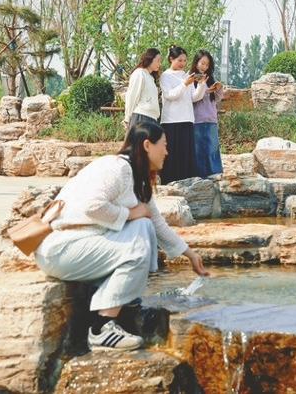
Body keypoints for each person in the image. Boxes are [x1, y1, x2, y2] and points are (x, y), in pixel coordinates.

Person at [34, 121, 208, 351]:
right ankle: (101, 329)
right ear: (147, 145)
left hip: (77, 245)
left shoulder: (136, 175)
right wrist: (131, 213)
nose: (167, 152)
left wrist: (190, 255)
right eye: (164, 145)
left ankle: (123, 302)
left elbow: (157, 223)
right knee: (137, 248)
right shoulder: (118, 169)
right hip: (62, 249)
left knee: (144, 227)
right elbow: (92, 206)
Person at [159, 45, 206, 184]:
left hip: (187, 118)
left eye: (185, 60)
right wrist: (185, 84)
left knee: (186, 154)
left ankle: (187, 183)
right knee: (171, 154)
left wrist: (202, 85)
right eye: (179, 60)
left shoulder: (186, 76)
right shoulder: (165, 76)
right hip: (171, 120)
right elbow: (170, 95)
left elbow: (193, 97)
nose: (183, 63)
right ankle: (169, 183)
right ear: (171, 59)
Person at [189, 50, 224, 177]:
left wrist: (218, 89)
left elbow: (217, 98)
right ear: (196, 62)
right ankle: (200, 177)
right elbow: (192, 97)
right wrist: (205, 90)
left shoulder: (210, 79)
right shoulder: (190, 78)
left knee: (213, 149)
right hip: (197, 119)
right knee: (198, 150)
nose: (204, 67)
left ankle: (215, 175)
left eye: (207, 65)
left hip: (211, 119)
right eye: (202, 63)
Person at [123, 48, 161, 130]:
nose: (159, 64)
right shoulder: (139, 73)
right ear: (150, 59)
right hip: (141, 117)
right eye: (158, 60)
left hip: (152, 118)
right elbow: (132, 96)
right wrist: (127, 118)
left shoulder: (150, 77)